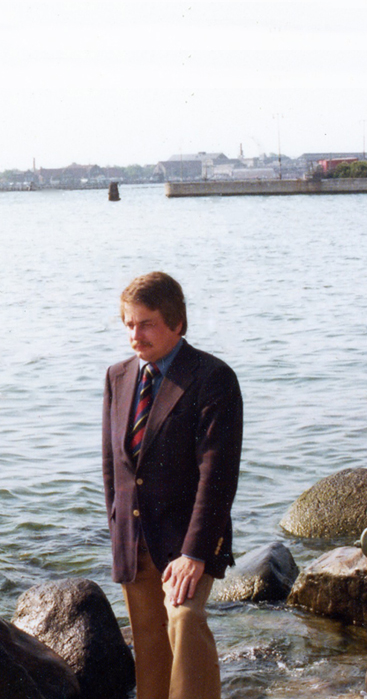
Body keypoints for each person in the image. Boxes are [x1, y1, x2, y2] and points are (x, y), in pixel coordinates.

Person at [102, 272, 243, 699]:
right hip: (136, 536)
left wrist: (195, 553)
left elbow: (217, 475)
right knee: (147, 642)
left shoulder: (212, 377)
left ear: (177, 323)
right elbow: (113, 466)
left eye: (145, 324)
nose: (135, 335)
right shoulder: (118, 376)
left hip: (188, 540)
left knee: (183, 619)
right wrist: (118, 533)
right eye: (128, 324)